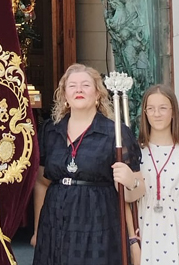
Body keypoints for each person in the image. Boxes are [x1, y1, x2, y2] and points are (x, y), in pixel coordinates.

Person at [31, 63, 144, 265]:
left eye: (85, 85)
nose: (79, 90)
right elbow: (41, 182)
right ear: (65, 95)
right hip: (55, 222)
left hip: (98, 223)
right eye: (72, 86)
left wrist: (130, 182)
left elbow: (135, 191)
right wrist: (37, 229)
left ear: (98, 94)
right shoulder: (51, 131)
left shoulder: (116, 133)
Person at [136, 84, 179, 264]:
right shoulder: (136, 153)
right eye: (150, 109)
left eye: (163, 108)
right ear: (144, 113)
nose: (157, 114)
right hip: (147, 227)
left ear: (173, 112)